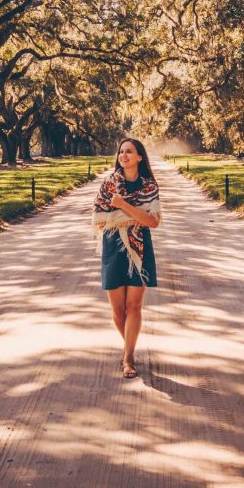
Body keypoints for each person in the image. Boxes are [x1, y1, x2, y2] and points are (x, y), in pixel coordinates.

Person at [92, 138, 161, 379]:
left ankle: (128, 358)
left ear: (139, 157)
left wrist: (123, 206)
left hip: (140, 246)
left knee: (134, 305)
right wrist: (132, 215)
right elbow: (99, 219)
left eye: (129, 152)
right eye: (121, 151)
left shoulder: (149, 186)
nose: (124, 155)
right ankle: (128, 347)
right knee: (118, 309)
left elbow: (153, 222)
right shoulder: (109, 183)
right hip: (113, 246)